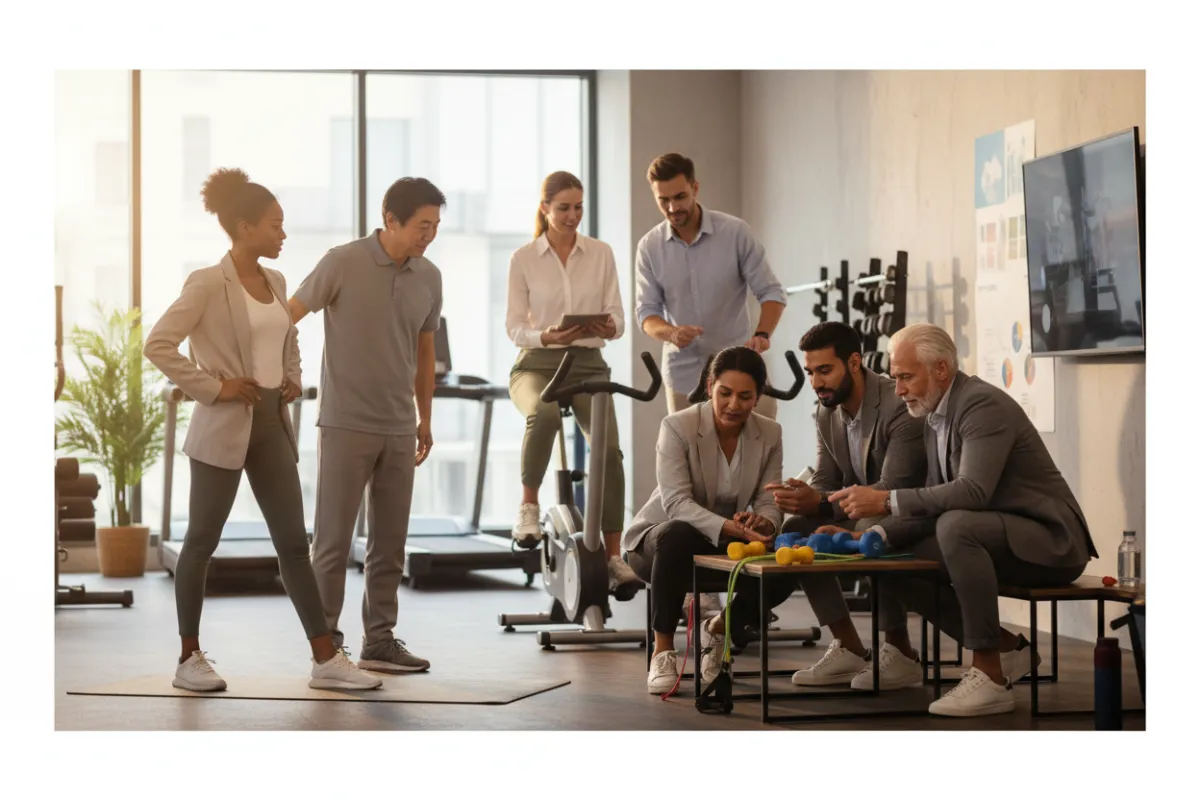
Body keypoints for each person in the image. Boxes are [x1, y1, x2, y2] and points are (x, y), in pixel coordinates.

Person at [144, 168, 380, 692]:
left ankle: (325, 658)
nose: (283, 234)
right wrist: (214, 387)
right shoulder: (207, 282)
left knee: (295, 544)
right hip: (222, 426)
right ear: (245, 227)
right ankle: (189, 658)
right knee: (201, 543)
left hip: (273, 424)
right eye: (275, 224)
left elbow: (286, 334)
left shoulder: (274, 282)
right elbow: (158, 344)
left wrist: (291, 376)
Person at [823, 322, 1098, 717]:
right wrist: (866, 534)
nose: (897, 389)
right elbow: (935, 503)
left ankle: (989, 675)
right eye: (895, 377)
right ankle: (1004, 648)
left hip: (1052, 543)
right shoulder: (936, 415)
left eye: (905, 377)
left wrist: (885, 500)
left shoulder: (981, 405)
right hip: (997, 535)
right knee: (883, 548)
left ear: (940, 370)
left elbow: (972, 492)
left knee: (957, 526)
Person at [288, 177, 445, 674]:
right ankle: (327, 645)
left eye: (436, 226)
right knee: (332, 544)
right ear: (391, 219)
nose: (429, 235)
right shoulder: (343, 261)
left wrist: (426, 417)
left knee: (389, 545)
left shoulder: (430, 276)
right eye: (423, 225)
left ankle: (379, 640)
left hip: (400, 426)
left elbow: (425, 351)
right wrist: (287, 373)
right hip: (345, 423)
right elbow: (288, 314)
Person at [765, 321, 927, 690]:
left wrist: (820, 500)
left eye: (825, 370)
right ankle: (848, 645)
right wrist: (803, 495)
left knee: (871, 520)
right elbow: (826, 479)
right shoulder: (825, 411)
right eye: (810, 373)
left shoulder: (895, 404)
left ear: (854, 362)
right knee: (795, 530)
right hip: (860, 508)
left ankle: (899, 651)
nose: (816, 382)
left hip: (907, 510)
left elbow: (891, 488)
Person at [623, 347, 793, 694]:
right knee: (678, 533)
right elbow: (676, 502)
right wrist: (731, 527)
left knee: (787, 556)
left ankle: (718, 630)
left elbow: (768, 497)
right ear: (709, 385)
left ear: (758, 396)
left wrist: (764, 524)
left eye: (745, 396)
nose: (734, 404)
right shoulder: (677, 426)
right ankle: (663, 651)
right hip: (659, 545)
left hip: (723, 542)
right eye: (725, 393)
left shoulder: (770, 433)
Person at [505, 171, 641, 598]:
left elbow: (618, 316)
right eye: (563, 207)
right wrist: (546, 335)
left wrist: (607, 324)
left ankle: (614, 557)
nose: (572, 215)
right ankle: (528, 507)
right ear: (545, 207)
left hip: (587, 363)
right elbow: (513, 327)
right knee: (542, 413)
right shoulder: (523, 258)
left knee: (607, 450)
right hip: (536, 364)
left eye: (578, 207)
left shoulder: (600, 253)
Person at [635, 152, 788, 418]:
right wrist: (670, 333)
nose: (673, 208)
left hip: (740, 369)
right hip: (684, 376)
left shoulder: (735, 232)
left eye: (680, 197)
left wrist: (762, 335)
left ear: (695, 188)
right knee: (690, 456)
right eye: (664, 200)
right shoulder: (649, 247)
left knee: (760, 448)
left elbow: (771, 292)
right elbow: (646, 314)